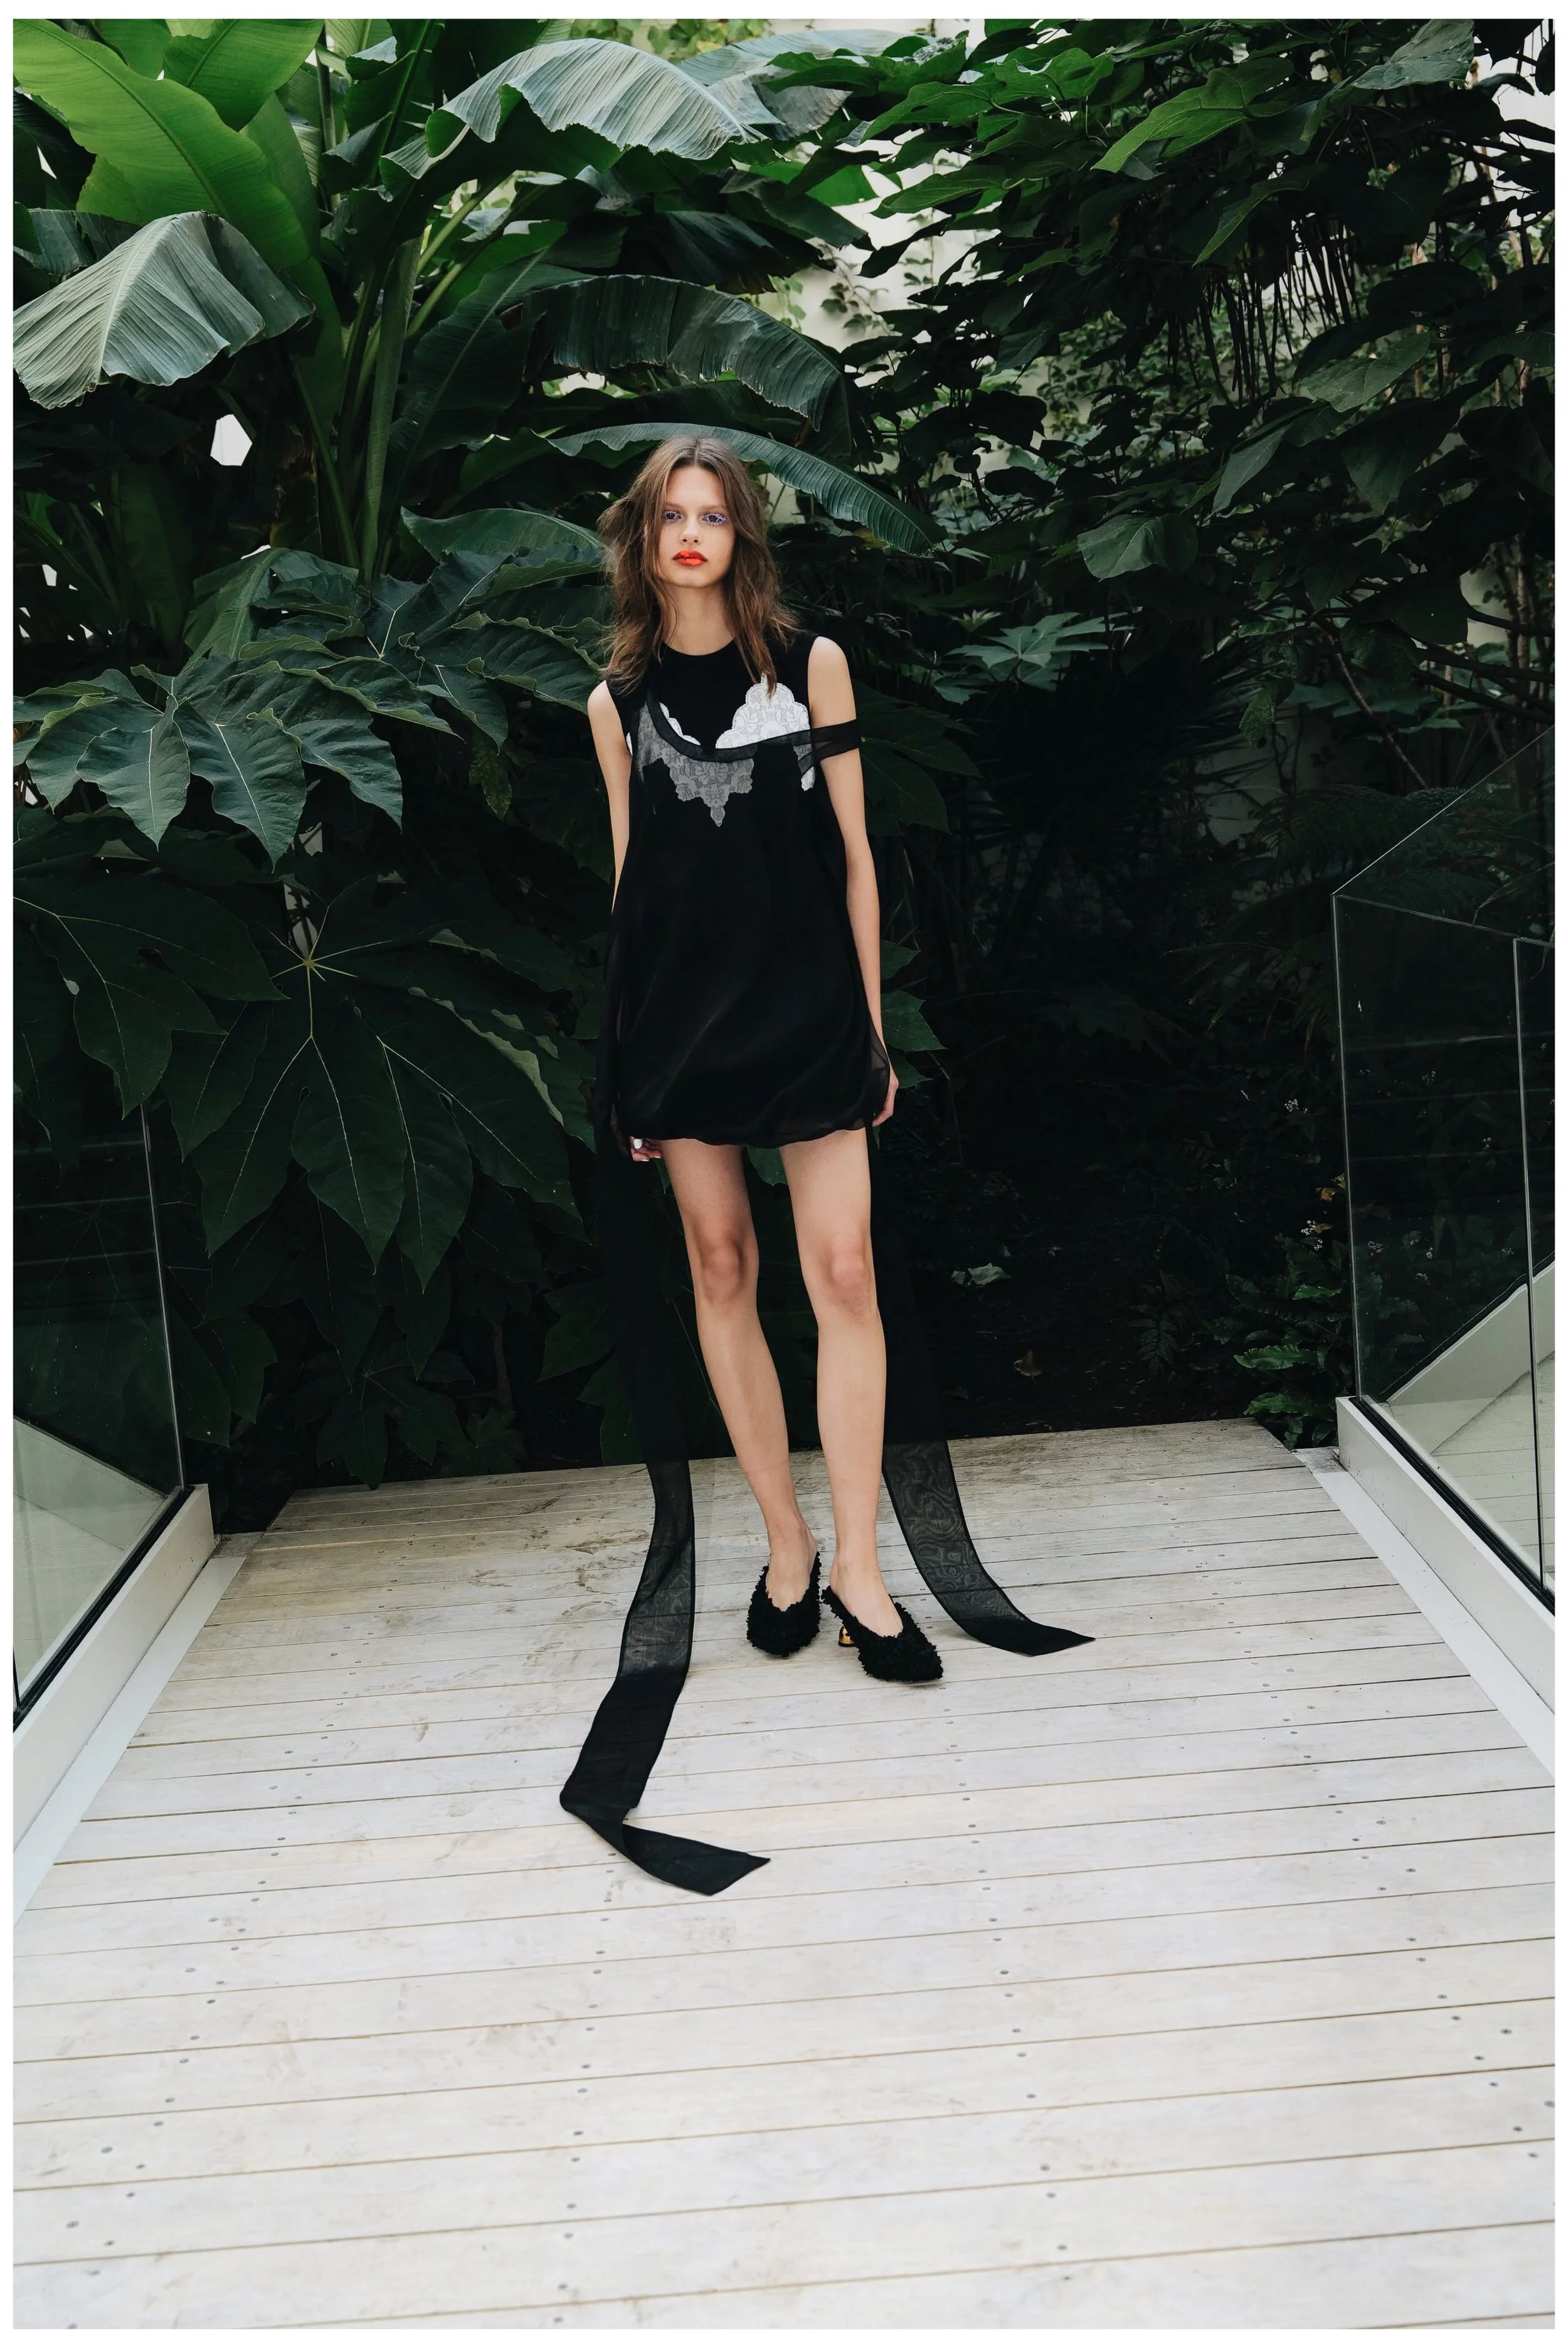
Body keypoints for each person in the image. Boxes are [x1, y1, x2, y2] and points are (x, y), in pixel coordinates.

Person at [559, 436, 1088, 1894]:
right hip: (679, 1029)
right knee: (720, 1266)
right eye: (669, 516)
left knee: (841, 1272)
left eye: (712, 515)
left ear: (743, 536)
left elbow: (856, 859)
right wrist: (624, 1058)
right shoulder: (612, 704)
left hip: (805, 1020)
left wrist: (867, 1026)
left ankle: (860, 1568)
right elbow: (632, 887)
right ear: (641, 539)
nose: (690, 535)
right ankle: (783, 1548)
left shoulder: (814, 670)